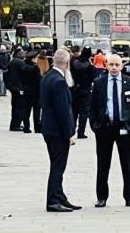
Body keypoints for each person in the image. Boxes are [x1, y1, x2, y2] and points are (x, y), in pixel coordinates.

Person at [90, 53, 130, 207]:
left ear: (121, 66)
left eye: (117, 65)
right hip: (105, 128)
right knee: (103, 163)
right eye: (111, 64)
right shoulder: (99, 83)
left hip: (124, 128)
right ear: (106, 65)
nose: (113, 68)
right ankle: (102, 196)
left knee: (127, 163)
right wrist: (95, 125)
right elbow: (92, 107)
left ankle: (129, 196)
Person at [40, 48, 80, 212]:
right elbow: (63, 110)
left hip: (49, 129)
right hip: (57, 131)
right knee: (58, 166)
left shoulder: (48, 77)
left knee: (56, 164)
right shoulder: (59, 81)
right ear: (67, 63)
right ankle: (53, 200)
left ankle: (60, 196)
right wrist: (70, 132)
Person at [71, 47, 96, 139]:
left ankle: (71, 130)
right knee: (84, 113)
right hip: (85, 91)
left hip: (75, 90)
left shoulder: (74, 63)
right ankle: (81, 132)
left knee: (74, 112)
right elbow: (94, 78)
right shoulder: (90, 66)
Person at [19, 50, 43, 133]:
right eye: (36, 58)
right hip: (35, 92)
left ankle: (26, 127)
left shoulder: (23, 67)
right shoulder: (35, 68)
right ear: (32, 59)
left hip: (26, 92)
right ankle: (37, 127)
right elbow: (39, 80)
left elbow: (21, 79)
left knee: (26, 111)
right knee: (36, 111)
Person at [6, 47, 25, 131]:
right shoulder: (20, 62)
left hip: (13, 87)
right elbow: (25, 74)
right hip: (19, 87)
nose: (23, 54)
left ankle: (14, 124)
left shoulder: (12, 62)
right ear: (18, 54)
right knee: (20, 106)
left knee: (14, 106)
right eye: (22, 53)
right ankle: (16, 125)